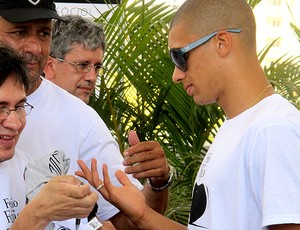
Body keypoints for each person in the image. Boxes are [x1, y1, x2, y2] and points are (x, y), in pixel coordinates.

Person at [77, 0, 300, 229]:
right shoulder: (241, 125)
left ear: (221, 43)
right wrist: (144, 215)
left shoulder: (273, 129)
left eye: (179, 56)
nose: (176, 75)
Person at [0, 0, 170, 229]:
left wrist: (158, 182)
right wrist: (37, 214)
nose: (35, 48)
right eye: (19, 32)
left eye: (44, 33)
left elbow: (132, 220)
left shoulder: (82, 120)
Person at [0, 45, 98, 229]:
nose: (15, 123)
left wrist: (92, 224)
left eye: (19, 106)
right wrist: (37, 214)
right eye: (1, 108)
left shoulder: (29, 171)